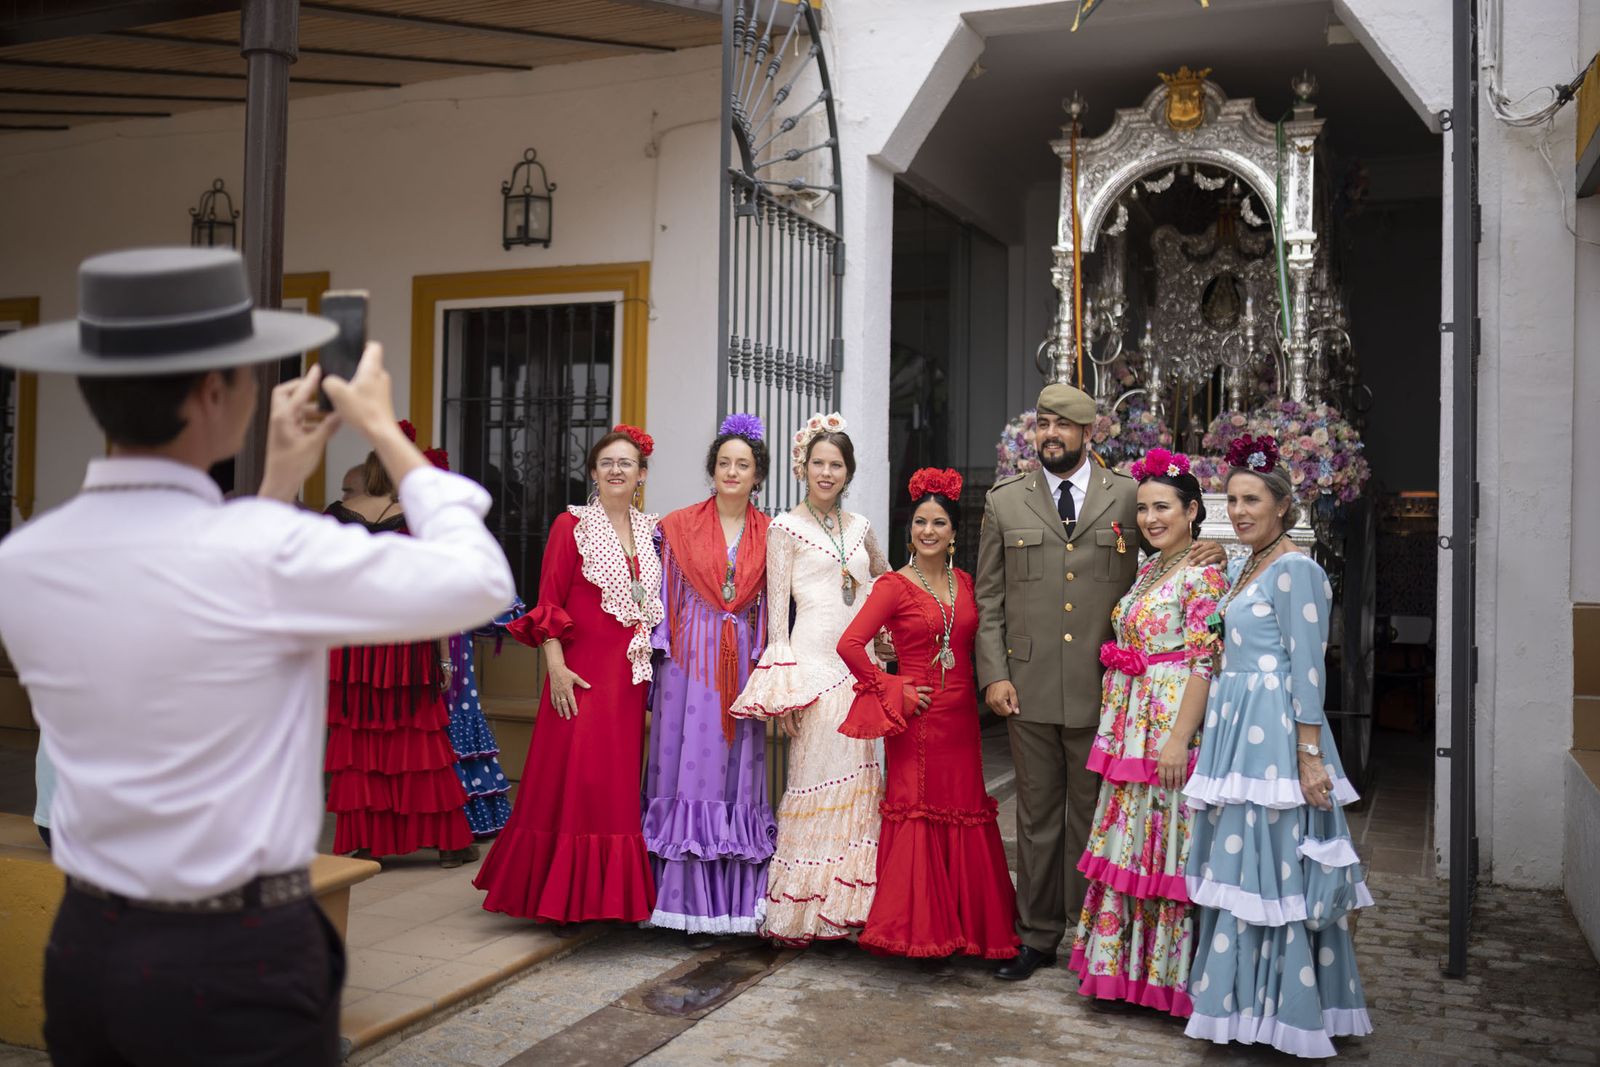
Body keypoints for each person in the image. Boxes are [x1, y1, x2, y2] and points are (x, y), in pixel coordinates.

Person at [0, 247, 514, 1067]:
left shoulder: (24, 560)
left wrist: (278, 480)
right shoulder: (262, 552)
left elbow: (204, 591)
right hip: (237, 955)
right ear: (214, 391)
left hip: (88, 946)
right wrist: (382, 428)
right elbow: (480, 576)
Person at [975, 382, 1223, 982]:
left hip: (1108, 692)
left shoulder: (1129, 498)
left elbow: (1167, 554)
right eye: (1043, 425)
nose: (1050, 435)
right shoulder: (1005, 501)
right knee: (1035, 819)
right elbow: (989, 598)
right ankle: (1036, 936)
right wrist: (994, 676)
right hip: (1027, 687)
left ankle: (1091, 934)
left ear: (1090, 433)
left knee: (1094, 815)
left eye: (1063, 426)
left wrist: (1206, 551)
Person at [1182, 434, 1372, 1057]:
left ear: (1282, 506)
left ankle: (1281, 1010)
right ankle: (1239, 1005)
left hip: (1275, 735)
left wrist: (1310, 755)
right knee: (1240, 869)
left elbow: (1308, 668)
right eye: (1231, 500)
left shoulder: (1297, 569)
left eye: (1251, 500)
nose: (1238, 511)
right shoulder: (1248, 565)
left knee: (1273, 871)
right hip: (1237, 731)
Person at [474, 424, 663, 924]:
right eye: (607, 463)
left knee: (615, 785)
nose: (616, 470)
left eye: (626, 463)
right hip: (579, 674)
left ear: (641, 475)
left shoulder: (653, 532)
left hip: (629, 680)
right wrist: (555, 667)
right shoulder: (570, 525)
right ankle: (562, 902)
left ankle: (607, 902)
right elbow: (549, 602)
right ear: (594, 473)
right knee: (575, 780)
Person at [1067, 449, 1227, 1015]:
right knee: (1131, 840)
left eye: (1164, 507)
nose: (1151, 518)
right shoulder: (1150, 568)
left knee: (1165, 845)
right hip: (1132, 722)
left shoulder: (1205, 573)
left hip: (1166, 724)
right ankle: (1124, 971)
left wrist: (1180, 737)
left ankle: (1168, 979)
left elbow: (1206, 661)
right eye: (1144, 509)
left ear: (1192, 511)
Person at [837, 468, 1020, 961]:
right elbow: (851, 644)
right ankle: (919, 930)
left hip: (962, 718)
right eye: (920, 522)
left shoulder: (966, 582)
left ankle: (965, 927)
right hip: (915, 720)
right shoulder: (893, 585)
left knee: (964, 810)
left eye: (939, 522)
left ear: (955, 533)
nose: (928, 531)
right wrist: (892, 687)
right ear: (910, 529)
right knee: (917, 813)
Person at [731, 413, 888, 946]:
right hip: (814, 671)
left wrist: (886, 640)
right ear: (803, 467)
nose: (827, 472)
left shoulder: (862, 528)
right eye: (818, 463)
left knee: (862, 785)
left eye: (836, 464)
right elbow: (778, 618)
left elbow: (889, 585)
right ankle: (807, 914)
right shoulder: (784, 527)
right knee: (813, 783)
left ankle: (853, 909)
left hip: (860, 672)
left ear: (848, 472)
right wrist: (786, 690)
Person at [644, 414, 777, 942]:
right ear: (712, 469)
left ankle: (730, 903)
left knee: (734, 768)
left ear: (757, 476)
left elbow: (773, 606)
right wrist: (659, 652)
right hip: (687, 660)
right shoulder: (676, 526)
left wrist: (770, 663)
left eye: (742, 464)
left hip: (742, 660)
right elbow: (660, 597)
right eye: (724, 463)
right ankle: (675, 900)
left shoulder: (772, 534)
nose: (732, 471)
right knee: (683, 766)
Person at [324, 426, 478, 866]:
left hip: (352, 644)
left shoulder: (335, 513)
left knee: (359, 740)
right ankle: (449, 845)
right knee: (419, 741)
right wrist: (445, 657)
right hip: (406, 639)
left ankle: (367, 840)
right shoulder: (417, 518)